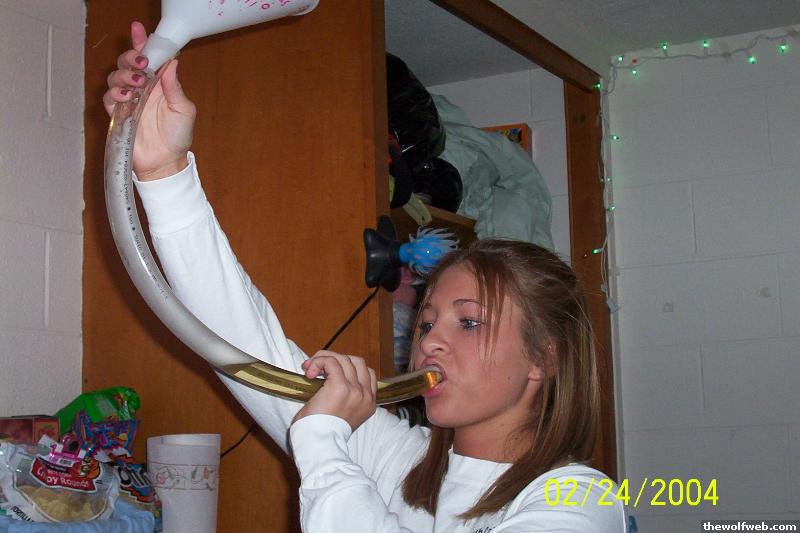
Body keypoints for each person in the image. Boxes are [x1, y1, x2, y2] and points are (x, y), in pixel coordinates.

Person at [104, 22, 626, 533]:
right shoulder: (402, 463)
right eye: (426, 323)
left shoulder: (579, 500)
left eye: (468, 322)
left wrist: (321, 440)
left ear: (544, 357)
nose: (429, 343)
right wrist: (163, 170)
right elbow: (241, 343)